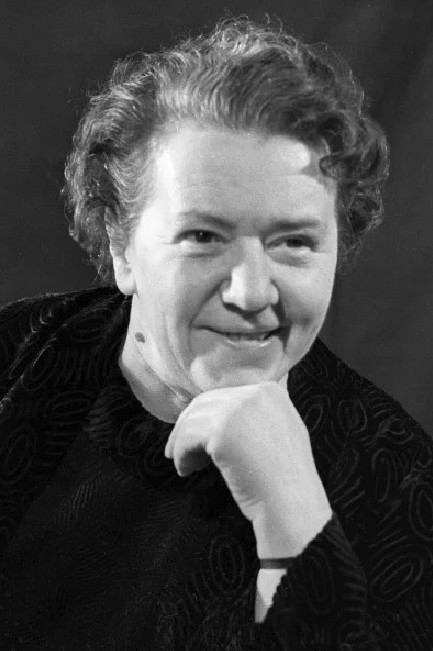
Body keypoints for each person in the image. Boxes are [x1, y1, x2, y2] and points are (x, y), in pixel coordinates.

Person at [0, 16, 432, 650]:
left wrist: (293, 518)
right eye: (203, 236)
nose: (251, 293)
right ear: (122, 247)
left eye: (294, 242)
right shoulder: (16, 357)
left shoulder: (401, 483)